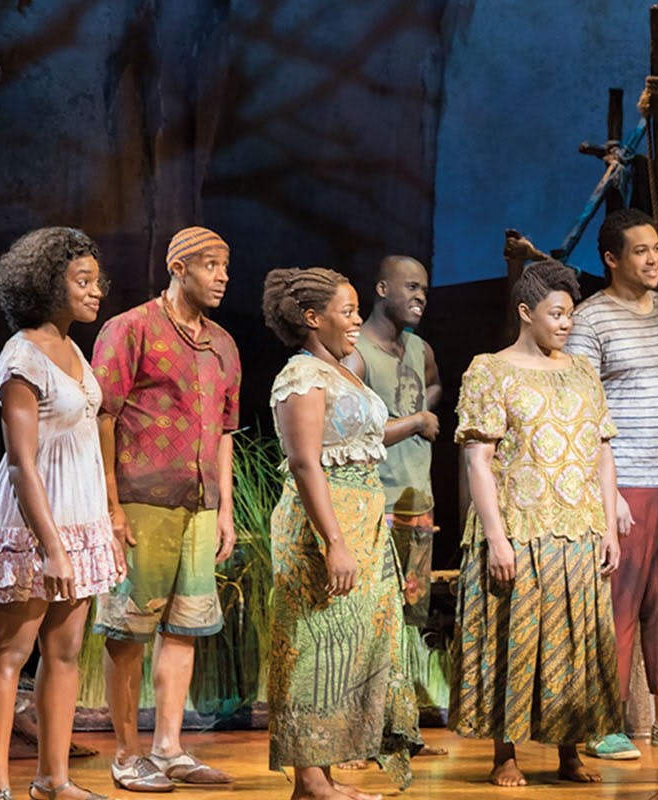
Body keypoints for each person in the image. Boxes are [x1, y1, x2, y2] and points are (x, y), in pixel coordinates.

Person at [450, 259, 622, 787]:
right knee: (513, 638)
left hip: (578, 528)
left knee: (576, 641)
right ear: (526, 312)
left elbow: (602, 453)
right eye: (556, 313)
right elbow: (478, 459)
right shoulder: (490, 369)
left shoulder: (582, 371)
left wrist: (609, 527)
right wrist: (497, 538)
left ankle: (570, 751)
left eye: (570, 313)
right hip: (518, 528)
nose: (566, 323)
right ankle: (506, 754)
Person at [261, 267, 423, 800]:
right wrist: (334, 541)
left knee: (348, 652)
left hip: (364, 521)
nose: (357, 320)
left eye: (357, 310)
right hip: (322, 526)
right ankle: (309, 780)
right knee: (311, 650)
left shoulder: (343, 371)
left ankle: (325, 775)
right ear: (313, 318)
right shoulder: (300, 376)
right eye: (347, 311)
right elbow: (305, 463)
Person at [564, 207, 658, 759]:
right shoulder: (590, 320)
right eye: (640, 250)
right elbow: (583, 409)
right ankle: (601, 719)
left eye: (656, 248)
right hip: (623, 483)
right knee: (616, 606)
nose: (653, 259)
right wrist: (604, 496)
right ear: (611, 258)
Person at [0, 227, 117, 800]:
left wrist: (102, 515)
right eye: (81, 280)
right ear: (45, 284)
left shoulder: (73, 346)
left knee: (63, 652)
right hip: (33, 524)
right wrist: (51, 545)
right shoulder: (22, 356)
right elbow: (20, 463)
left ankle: (53, 779)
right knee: (10, 652)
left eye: (95, 279)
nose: (95, 289)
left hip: (79, 520)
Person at [92, 226, 239, 791]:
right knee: (128, 630)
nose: (221, 275)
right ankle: (127, 754)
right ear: (178, 267)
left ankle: (170, 748)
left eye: (225, 265)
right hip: (140, 499)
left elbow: (225, 428)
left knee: (183, 628)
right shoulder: (130, 328)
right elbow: (102, 416)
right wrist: (110, 506)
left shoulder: (223, 343)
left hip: (199, 506)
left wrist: (224, 506)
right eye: (210, 264)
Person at [342, 255, 446, 751]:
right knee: (370, 618)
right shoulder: (356, 353)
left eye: (425, 288)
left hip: (415, 498)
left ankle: (397, 726)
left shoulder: (419, 348)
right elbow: (351, 431)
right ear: (382, 288)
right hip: (374, 503)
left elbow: (433, 383)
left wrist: (423, 410)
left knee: (408, 618)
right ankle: (364, 729)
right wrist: (415, 423)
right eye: (410, 287)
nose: (420, 296)